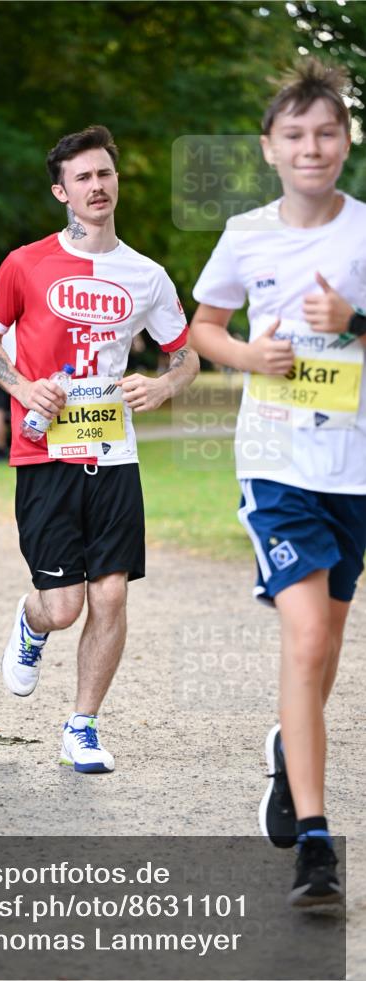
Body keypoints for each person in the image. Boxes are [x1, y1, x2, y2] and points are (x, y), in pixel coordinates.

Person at [189, 60, 365, 906]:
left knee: (323, 646)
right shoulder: (246, 232)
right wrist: (249, 356)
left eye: (325, 132)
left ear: (345, 140)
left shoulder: (365, 230)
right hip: (275, 463)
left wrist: (355, 323)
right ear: (268, 147)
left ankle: (284, 754)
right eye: (293, 135)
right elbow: (203, 329)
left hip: (353, 468)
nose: (310, 147)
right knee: (303, 639)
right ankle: (317, 845)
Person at [0, 125, 198, 774]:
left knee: (112, 596)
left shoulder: (146, 276)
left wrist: (162, 383)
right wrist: (22, 387)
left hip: (114, 456)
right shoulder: (25, 263)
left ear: (115, 182)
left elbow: (182, 356)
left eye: (104, 174)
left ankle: (83, 725)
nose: (95, 186)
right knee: (64, 606)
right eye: (81, 178)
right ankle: (31, 620)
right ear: (60, 192)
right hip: (44, 454)